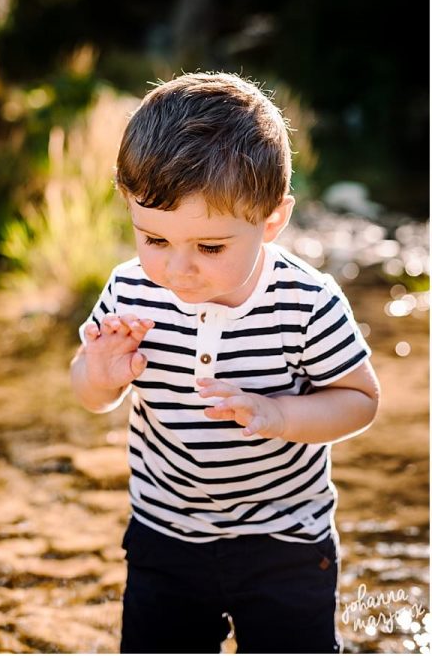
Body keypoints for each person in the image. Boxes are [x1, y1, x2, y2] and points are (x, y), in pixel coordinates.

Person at [71, 72, 380, 653]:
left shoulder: (306, 302)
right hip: (163, 534)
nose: (178, 269)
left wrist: (281, 415)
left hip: (286, 539)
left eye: (209, 247)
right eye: (153, 240)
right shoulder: (130, 291)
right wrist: (100, 373)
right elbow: (89, 392)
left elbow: (361, 400)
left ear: (271, 221)